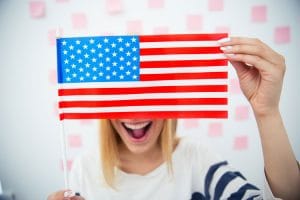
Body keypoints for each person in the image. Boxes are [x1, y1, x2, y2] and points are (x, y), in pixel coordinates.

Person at [47, 37, 300, 200]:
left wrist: (267, 112)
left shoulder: (196, 160)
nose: (135, 114)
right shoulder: (85, 169)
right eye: (123, 99)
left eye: (149, 98)